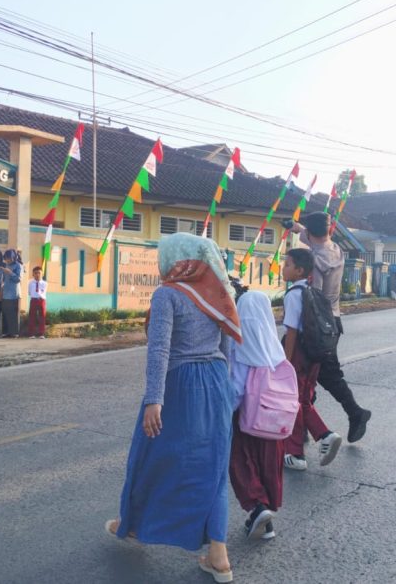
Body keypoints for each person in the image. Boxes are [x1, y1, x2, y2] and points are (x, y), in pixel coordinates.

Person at [106, 233, 242, 584]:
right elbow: (227, 345)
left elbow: (159, 351)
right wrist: (224, 391)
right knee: (213, 468)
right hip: (214, 381)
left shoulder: (168, 294)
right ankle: (219, 555)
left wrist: (154, 399)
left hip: (180, 384)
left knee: (149, 456)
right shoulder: (216, 292)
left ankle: (131, 524)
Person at [282, 212, 372, 444]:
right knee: (319, 374)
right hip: (333, 321)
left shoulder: (311, 260)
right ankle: (304, 423)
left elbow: (310, 298)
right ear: (330, 230)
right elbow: (310, 235)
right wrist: (295, 227)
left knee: (306, 373)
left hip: (313, 323)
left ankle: (351, 414)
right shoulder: (336, 249)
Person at [228, 290, 287, 542]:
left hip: (246, 418)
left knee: (240, 460)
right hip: (273, 421)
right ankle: (266, 519)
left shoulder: (240, 344)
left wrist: (225, 411)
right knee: (268, 466)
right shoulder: (274, 346)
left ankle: (257, 506)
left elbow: (236, 388)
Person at [281, 247, 341, 471]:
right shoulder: (312, 292)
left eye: (287, 265)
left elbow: (292, 331)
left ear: (299, 270)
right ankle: (324, 435)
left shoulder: (293, 295)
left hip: (298, 355)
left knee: (292, 402)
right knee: (303, 400)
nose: (283, 268)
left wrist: (285, 362)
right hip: (316, 353)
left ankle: (296, 454)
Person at [0, 249, 23, 338]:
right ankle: (5, 332)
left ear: (13, 257)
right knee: (5, 313)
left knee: (14, 314)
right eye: (6, 258)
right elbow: (2, 279)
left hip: (14, 293)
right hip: (5, 293)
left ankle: (14, 332)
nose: (7, 260)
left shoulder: (18, 266)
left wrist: (10, 273)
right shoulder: (6, 265)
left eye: (9, 258)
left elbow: (18, 279)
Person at [27, 266, 47, 339]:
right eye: (35, 273)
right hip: (33, 300)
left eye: (39, 273)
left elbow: (42, 291)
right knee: (32, 317)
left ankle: (41, 333)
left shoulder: (44, 283)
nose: (37, 275)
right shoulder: (30, 283)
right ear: (33, 274)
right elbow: (29, 292)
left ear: (42, 274)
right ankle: (31, 334)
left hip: (41, 300)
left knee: (42, 317)